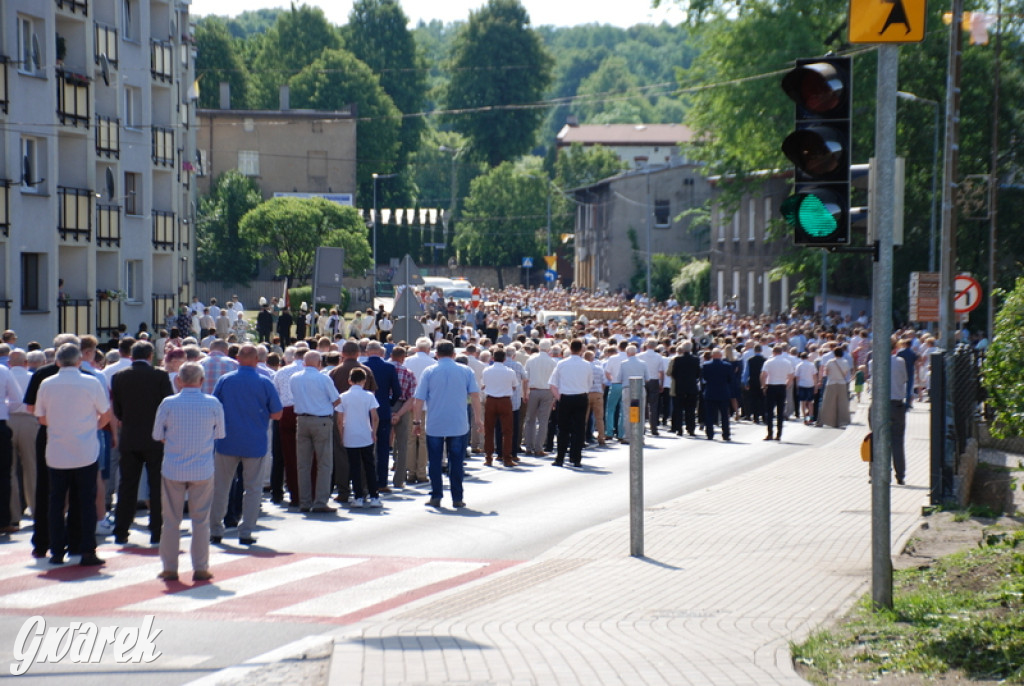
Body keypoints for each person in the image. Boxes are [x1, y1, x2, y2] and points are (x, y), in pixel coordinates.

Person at [34, 343, 111, 566]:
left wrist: (60, 425)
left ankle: (56, 550)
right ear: (79, 361)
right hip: (85, 450)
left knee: (56, 502)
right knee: (86, 501)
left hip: (57, 450)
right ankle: (86, 549)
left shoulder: (47, 384)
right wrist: (92, 426)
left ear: (58, 361)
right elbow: (105, 414)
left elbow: (40, 417)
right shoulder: (91, 382)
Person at [151, 362, 224, 581]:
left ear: (179, 381)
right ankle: (200, 566)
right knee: (200, 520)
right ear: (201, 381)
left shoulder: (168, 403)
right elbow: (220, 434)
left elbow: (156, 435)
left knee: (171, 520)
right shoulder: (212, 403)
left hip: (173, 466)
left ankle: (169, 567)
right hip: (202, 467)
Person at [210, 344, 283, 546]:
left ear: (239, 359)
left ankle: (215, 529)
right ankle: (246, 531)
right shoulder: (265, 382)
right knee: (252, 489)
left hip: (227, 440)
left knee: (221, 487)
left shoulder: (225, 380)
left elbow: (214, 407)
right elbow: (277, 413)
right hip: (255, 442)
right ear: (256, 360)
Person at [110, 341, 174, 545]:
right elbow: (168, 406)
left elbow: (117, 410)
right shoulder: (160, 376)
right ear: (150, 355)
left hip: (129, 436)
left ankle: (121, 530)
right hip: (156, 437)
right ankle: (156, 530)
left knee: (127, 485)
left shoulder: (119, 377)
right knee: (156, 485)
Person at [412, 341, 483, 509]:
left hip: (435, 422)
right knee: (456, 462)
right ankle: (457, 497)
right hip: (458, 422)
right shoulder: (466, 371)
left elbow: (419, 399)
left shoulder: (429, 371)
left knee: (435, 461)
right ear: (453, 354)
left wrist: (417, 421)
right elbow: (474, 396)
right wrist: (479, 419)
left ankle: (436, 495)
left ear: (436, 354)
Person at [290, 350, 341, 513]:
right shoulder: (323, 378)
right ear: (319, 363)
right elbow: (336, 399)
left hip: (302, 419)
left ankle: (304, 501)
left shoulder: (295, 377)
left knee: (303, 464)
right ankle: (320, 501)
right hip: (321, 420)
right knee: (324, 463)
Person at [338, 367, 380, 508]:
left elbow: (339, 420)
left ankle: (358, 497)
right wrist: (374, 432)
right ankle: (374, 496)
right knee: (369, 466)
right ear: (364, 380)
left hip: (350, 434)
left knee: (354, 467)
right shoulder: (369, 396)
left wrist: (341, 434)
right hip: (365, 434)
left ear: (350, 380)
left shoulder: (343, 397)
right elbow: (374, 417)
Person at [362, 341, 401, 493]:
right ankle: (382, 482)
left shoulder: (362, 367)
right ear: (381, 352)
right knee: (383, 448)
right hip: (383, 410)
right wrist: (389, 403)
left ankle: (365, 482)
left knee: (364, 448)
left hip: (364, 411)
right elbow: (397, 391)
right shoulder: (389, 367)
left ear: (367, 352)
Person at [549, 339, 593, 467]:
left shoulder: (562, 364)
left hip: (566, 397)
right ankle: (576, 458)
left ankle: (560, 458)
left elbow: (552, 384)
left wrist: (559, 398)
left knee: (563, 429)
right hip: (581, 396)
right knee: (579, 429)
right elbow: (589, 383)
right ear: (581, 350)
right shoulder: (586, 365)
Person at [482, 348, 518, 467]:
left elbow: (483, 385)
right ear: (504, 359)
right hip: (505, 400)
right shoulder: (510, 371)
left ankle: (488, 457)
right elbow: (514, 386)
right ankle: (507, 458)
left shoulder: (486, 370)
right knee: (507, 431)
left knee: (489, 430)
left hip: (491, 400)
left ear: (493, 358)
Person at [522, 339, 557, 456]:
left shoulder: (531, 359)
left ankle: (528, 446)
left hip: (533, 391)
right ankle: (538, 447)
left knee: (530, 419)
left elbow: (526, 378)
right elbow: (555, 381)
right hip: (547, 391)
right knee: (543, 421)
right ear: (549, 349)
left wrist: (525, 393)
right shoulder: (552, 362)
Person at [760, 345, 794, 441]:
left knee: (770, 411)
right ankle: (779, 434)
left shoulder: (768, 362)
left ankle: (770, 433)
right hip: (782, 386)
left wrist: (763, 386)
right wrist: (787, 384)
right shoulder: (787, 362)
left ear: (773, 352)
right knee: (780, 411)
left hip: (771, 386)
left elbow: (763, 375)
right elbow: (791, 375)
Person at [701, 348, 734, 441]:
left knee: (709, 414)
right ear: (720, 355)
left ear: (712, 356)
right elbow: (730, 379)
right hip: (723, 392)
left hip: (710, 392)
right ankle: (726, 434)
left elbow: (705, 378)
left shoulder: (706, 365)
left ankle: (709, 433)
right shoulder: (727, 366)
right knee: (724, 415)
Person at [668, 342, 701, 437]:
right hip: (691, 386)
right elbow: (698, 373)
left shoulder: (677, 359)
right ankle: (691, 429)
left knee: (678, 409)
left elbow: (673, 373)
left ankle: (679, 429)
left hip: (680, 386)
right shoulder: (695, 359)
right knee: (690, 409)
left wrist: (679, 379)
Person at [817, 347, 852, 428]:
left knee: (828, 403)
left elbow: (827, 373)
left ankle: (826, 420)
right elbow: (846, 373)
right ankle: (842, 421)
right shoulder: (845, 362)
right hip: (841, 383)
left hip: (831, 383)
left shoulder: (830, 362)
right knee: (842, 403)